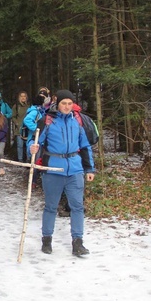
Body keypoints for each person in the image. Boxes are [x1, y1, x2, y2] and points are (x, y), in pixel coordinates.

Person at [28, 90, 95, 257]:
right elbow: (34, 140)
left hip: (75, 170)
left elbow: (85, 146)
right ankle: (47, 239)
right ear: (57, 104)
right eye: (64, 103)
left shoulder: (77, 122)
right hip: (53, 170)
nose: (67, 106)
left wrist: (89, 169)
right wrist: (32, 147)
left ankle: (78, 242)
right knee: (51, 206)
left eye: (70, 103)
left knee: (77, 207)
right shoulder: (48, 121)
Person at [22, 93, 48, 161]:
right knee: (34, 156)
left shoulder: (40, 111)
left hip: (37, 137)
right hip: (33, 137)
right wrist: (37, 128)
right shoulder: (35, 111)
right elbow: (27, 120)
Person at [11, 91, 29, 162]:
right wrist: (17, 123)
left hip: (28, 129)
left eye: (24, 96)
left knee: (28, 145)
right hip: (19, 129)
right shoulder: (16, 107)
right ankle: (20, 160)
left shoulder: (29, 106)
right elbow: (13, 117)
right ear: (19, 98)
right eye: (21, 96)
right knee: (20, 146)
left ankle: (28, 160)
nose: (23, 97)